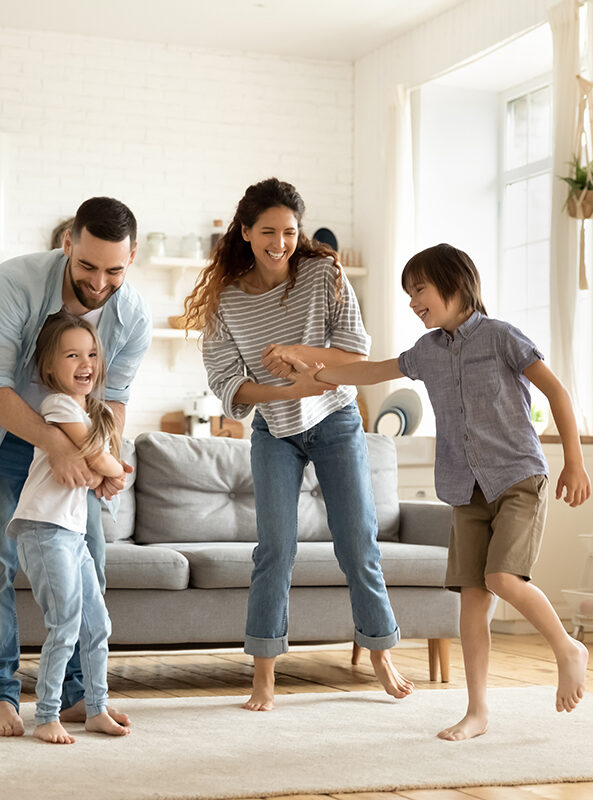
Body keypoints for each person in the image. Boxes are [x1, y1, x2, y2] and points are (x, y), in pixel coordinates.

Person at [311, 242, 591, 741]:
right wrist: (317, 374)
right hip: (466, 490)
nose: (412, 302)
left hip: (517, 478)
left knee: (502, 578)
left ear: (455, 283)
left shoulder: (502, 337)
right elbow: (374, 371)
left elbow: (556, 392)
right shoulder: (427, 352)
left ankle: (567, 648)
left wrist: (575, 461)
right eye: (408, 293)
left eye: (419, 290)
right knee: (472, 602)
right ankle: (477, 711)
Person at [183, 177, 414, 712]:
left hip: (335, 421)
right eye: (268, 231)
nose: (280, 243)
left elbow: (355, 352)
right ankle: (264, 675)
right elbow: (227, 384)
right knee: (275, 550)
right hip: (276, 429)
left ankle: (380, 654)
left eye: (289, 231)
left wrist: (296, 352)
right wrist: (289, 389)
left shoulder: (323, 273)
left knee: (357, 543)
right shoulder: (225, 301)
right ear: (245, 232)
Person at [0, 196, 151, 737]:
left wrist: (103, 459)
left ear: (132, 257)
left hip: (76, 443)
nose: (99, 283)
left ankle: (78, 696)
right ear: (67, 245)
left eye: (114, 270)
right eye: (87, 266)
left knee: (90, 567)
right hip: (0, 437)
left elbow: (114, 400)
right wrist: (57, 445)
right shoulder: (13, 283)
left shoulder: (132, 315)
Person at [7, 312, 127, 744]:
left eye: (91, 354)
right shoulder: (57, 405)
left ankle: (96, 709)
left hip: (72, 534)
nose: (85, 363)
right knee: (66, 624)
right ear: (50, 366)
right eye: (72, 355)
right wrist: (112, 471)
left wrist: (107, 471)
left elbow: (99, 465)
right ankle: (47, 715)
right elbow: (98, 458)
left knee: (98, 625)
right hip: (43, 529)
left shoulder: (92, 412)